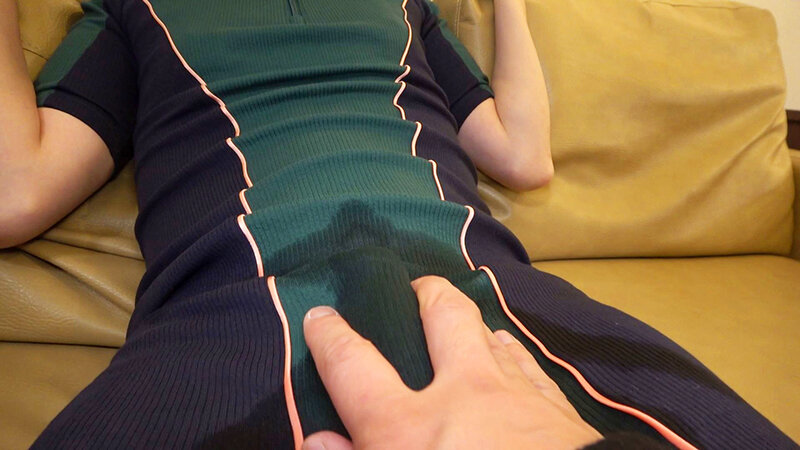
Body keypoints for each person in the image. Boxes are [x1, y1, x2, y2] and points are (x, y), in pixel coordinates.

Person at [0, 0, 794, 448]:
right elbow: (16, 191)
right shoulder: (133, 9)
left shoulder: (408, 5)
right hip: (231, 306)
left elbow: (523, 155)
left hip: (488, 291)